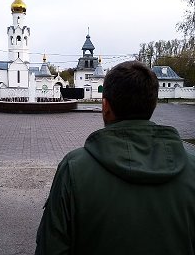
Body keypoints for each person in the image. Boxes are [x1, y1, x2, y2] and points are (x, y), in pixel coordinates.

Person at [35, 61, 195, 255]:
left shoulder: (74, 168)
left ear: (105, 106)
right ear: (153, 105)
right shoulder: (191, 165)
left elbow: (51, 248)